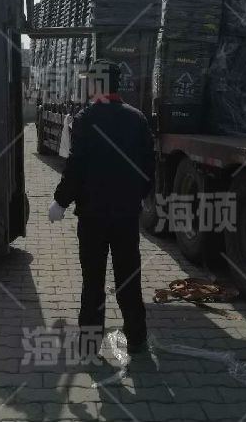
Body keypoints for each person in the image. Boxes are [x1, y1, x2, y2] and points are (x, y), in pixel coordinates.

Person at [47, 59, 153, 358]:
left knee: (93, 281)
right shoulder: (137, 119)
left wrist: (61, 201)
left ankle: (90, 344)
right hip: (126, 216)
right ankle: (137, 338)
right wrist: (141, 195)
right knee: (128, 277)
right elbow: (148, 164)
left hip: (93, 216)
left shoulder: (86, 119)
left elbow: (76, 167)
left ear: (95, 84)